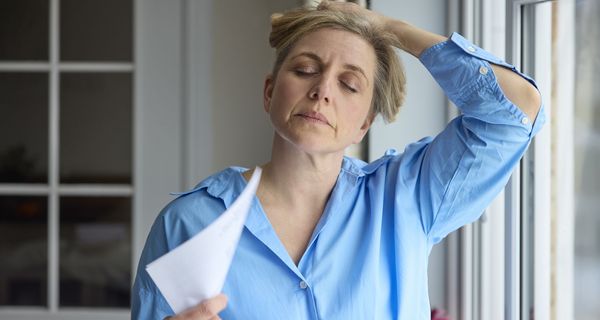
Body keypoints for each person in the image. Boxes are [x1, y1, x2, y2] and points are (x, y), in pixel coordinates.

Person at [132, 1, 545, 319]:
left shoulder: (408, 199)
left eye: (349, 84)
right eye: (306, 69)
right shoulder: (187, 224)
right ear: (269, 92)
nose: (322, 90)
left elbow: (516, 111)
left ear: (365, 123)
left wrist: (388, 28)